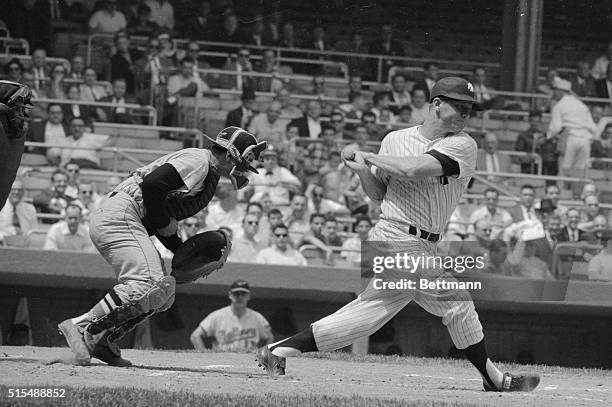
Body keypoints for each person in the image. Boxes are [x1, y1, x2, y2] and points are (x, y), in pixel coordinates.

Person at [255, 76, 540, 392]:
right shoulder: (394, 140)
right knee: (458, 303)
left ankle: (277, 351)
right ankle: (493, 379)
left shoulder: (463, 144)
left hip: (424, 244)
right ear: (436, 104)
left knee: (369, 313)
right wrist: (364, 171)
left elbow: (414, 168)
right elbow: (378, 194)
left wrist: (367, 156)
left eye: (468, 108)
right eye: (458, 106)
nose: (464, 114)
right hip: (393, 236)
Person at [57, 127, 266, 367]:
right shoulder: (199, 161)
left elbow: (161, 216)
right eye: (242, 162)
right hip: (122, 213)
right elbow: (152, 186)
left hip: (129, 218)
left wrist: (181, 251)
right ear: (230, 155)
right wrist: (168, 226)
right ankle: (80, 325)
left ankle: (102, 339)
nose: (243, 170)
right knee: (149, 284)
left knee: (163, 292)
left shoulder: (208, 173)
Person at [190, 280, 273, 351]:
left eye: (243, 294)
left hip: (248, 361)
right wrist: (204, 356)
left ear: (248, 296)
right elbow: (195, 336)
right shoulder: (217, 316)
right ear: (230, 295)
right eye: (236, 293)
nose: (240, 297)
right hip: (222, 361)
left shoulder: (257, 317)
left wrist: (263, 355)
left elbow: (270, 338)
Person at [547, 77, 597, 180]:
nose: (553, 93)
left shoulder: (559, 106)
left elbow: (555, 128)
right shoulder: (582, 106)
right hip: (585, 141)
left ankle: (564, 194)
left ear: (560, 91)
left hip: (569, 139)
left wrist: (547, 136)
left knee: (564, 172)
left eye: (555, 91)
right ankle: (576, 195)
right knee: (579, 174)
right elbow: (593, 127)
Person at [0, 179, 38, 244]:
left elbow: (34, 231)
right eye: (13, 189)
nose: (16, 192)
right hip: (2, 244)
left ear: (23, 193)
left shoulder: (30, 209)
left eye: (19, 190)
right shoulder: (1, 207)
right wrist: (6, 237)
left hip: (25, 244)